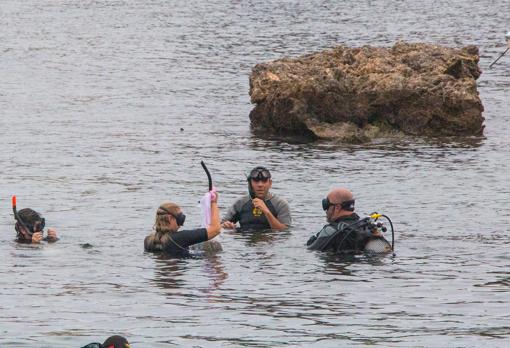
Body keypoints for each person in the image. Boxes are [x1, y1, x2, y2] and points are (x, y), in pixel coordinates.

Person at [307, 188, 384, 253]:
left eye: (327, 205)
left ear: (337, 207)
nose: (326, 210)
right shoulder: (367, 227)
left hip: (336, 267)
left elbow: (311, 250)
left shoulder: (331, 231)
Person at [144, 193, 221, 257]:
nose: (181, 225)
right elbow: (216, 229)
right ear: (170, 218)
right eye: (180, 219)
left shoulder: (148, 240)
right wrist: (213, 202)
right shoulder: (180, 238)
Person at [221, 166, 291, 231]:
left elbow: (284, 231)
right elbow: (220, 227)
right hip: (245, 241)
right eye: (256, 181)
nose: (260, 185)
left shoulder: (280, 204)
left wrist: (266, 211)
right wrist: (227, 226)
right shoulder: (241, 203)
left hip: (270, 241)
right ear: (250, 184)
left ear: (270, 183)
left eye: (264, 181)